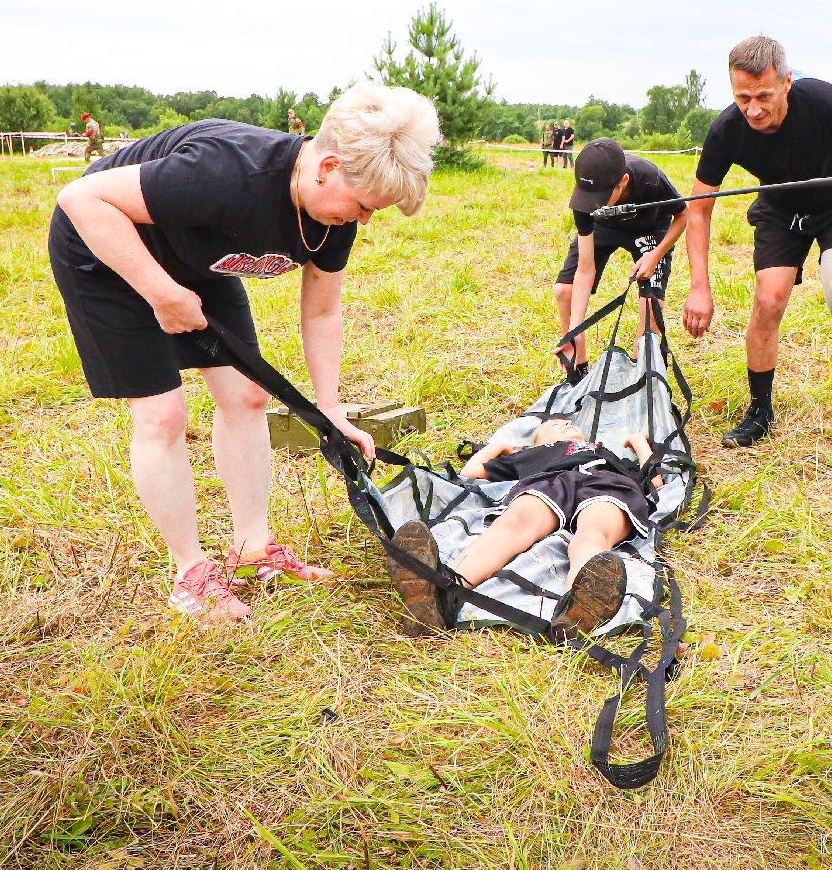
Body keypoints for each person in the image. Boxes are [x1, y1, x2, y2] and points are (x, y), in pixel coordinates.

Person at [49, 83, 441, 625]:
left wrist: (329, 409)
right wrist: (161, 294)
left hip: (198, 258)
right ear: (327, 166)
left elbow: (323, 311)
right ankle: (191, 575)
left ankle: (252, 549)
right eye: (363, 205)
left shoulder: (334, 219)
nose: (365, 220)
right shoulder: (227, 172)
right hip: (107, 246)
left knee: (248, 395)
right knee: (164, 414)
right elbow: (80, 198)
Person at [683, 35, 832, 453]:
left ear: (786, 82)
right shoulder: (728, 128)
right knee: (768, 300)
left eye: (764, 95)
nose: (753, 109)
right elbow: (698, 207)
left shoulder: (825, 102)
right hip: (782, 209)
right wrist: (700, 285)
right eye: (743, 97)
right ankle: (760, 411)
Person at [386, 417, 660, 639]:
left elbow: (655, 480)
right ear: (540, 441)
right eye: (556, 424)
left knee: (592, 537)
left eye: (570, 423)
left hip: (606, 485)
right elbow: (471, 472)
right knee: (512, 526)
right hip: (550, 482)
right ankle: (438, 595)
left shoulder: (605, 454)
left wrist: (638, 443)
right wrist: (499, 446)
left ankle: (577, 613)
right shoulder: (533, 455)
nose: (567, 424)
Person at [555, 138, 686, 381]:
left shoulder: (650, 178)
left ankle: (642, 374)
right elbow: (585, 270)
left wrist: (654, 256)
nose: (593, 203)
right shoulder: (585, 200)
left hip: (650, 228)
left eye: (602, 196)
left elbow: (683, 215)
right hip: (605, 227)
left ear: (623, 181)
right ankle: (578, 365)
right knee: (564, 290)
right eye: (589, 197)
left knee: (650, 304)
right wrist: (576, 330)